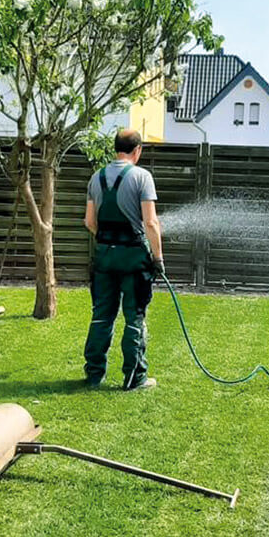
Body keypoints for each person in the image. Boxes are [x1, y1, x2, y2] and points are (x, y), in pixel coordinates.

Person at [83, 129, 164, 390]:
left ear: (115, 148)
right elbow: (150, 223)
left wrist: (109, 242)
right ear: (137, 150)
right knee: (134, 317)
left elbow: (89, 222)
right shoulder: (143, 177)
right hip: (133, 260)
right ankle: (134, 378)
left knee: (101, 316)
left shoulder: (96, 177)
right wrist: (158, 258)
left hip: (104, 258)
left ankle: (94, 375)